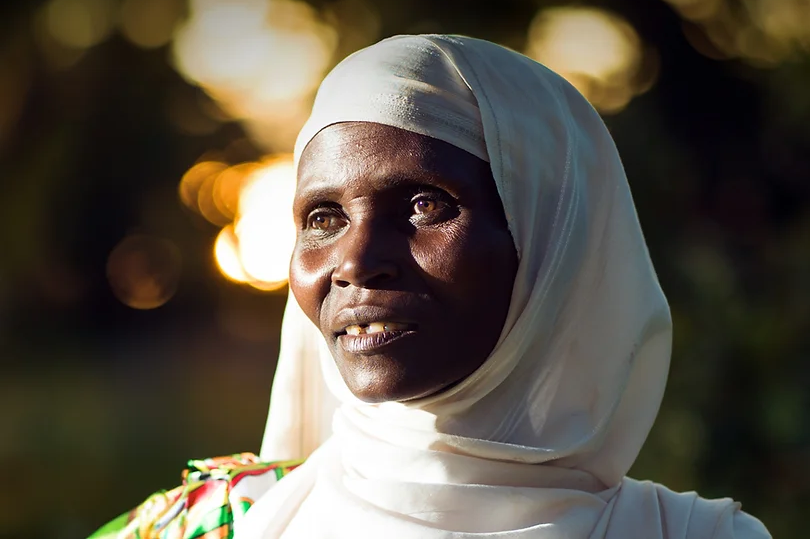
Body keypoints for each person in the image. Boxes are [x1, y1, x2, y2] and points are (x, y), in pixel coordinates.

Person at [91, 35, 770, 538]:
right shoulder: (206, 527)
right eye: (323, 218)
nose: (356, 261)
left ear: (551, 239)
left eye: (423, 205)